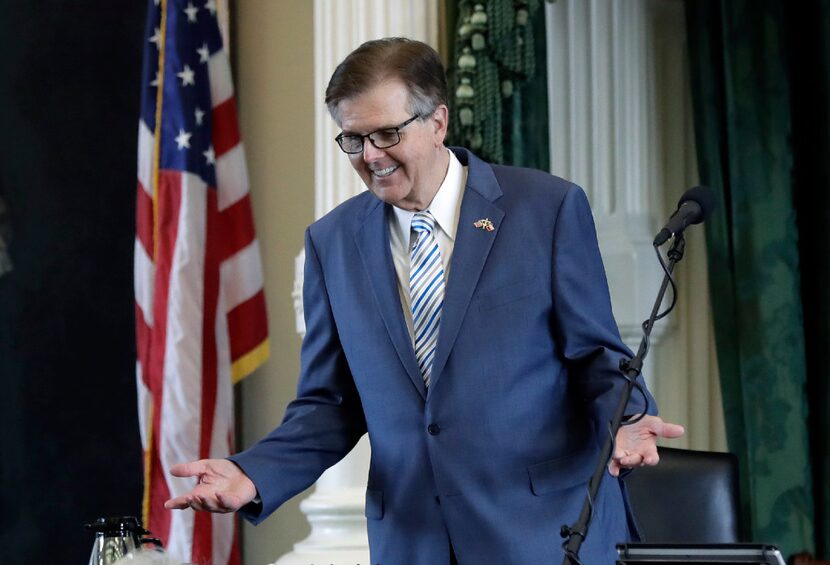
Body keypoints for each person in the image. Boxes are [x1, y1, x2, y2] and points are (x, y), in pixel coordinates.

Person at [165, 37, 685, 564]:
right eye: (353, 139)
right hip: (414, 543)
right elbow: (330, 405)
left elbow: (597, 357)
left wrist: (628, 417)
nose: (371, 156)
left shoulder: (545, 209)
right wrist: (253, 473)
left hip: (544, 535)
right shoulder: (333, 242)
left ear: (437, 123)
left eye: (387, 133)